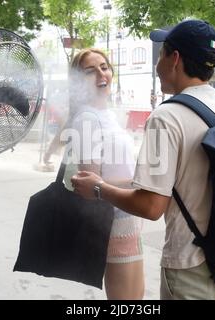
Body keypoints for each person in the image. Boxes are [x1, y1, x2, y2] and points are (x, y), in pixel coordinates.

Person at [71, 20, 215, 300]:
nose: (157, 64)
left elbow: (152, 205)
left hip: (191, 267)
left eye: (160, 54)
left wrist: (99, 187)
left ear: (174, 59)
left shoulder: (166, 117)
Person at [64, 48, 144, 300]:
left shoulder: (107, 114)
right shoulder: (87, 118)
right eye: (90, 71)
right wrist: (143, 181)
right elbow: (89, 186)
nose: (101, 73)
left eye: (104, 66)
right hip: (112, 221)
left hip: (128, 214)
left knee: (135, 299)